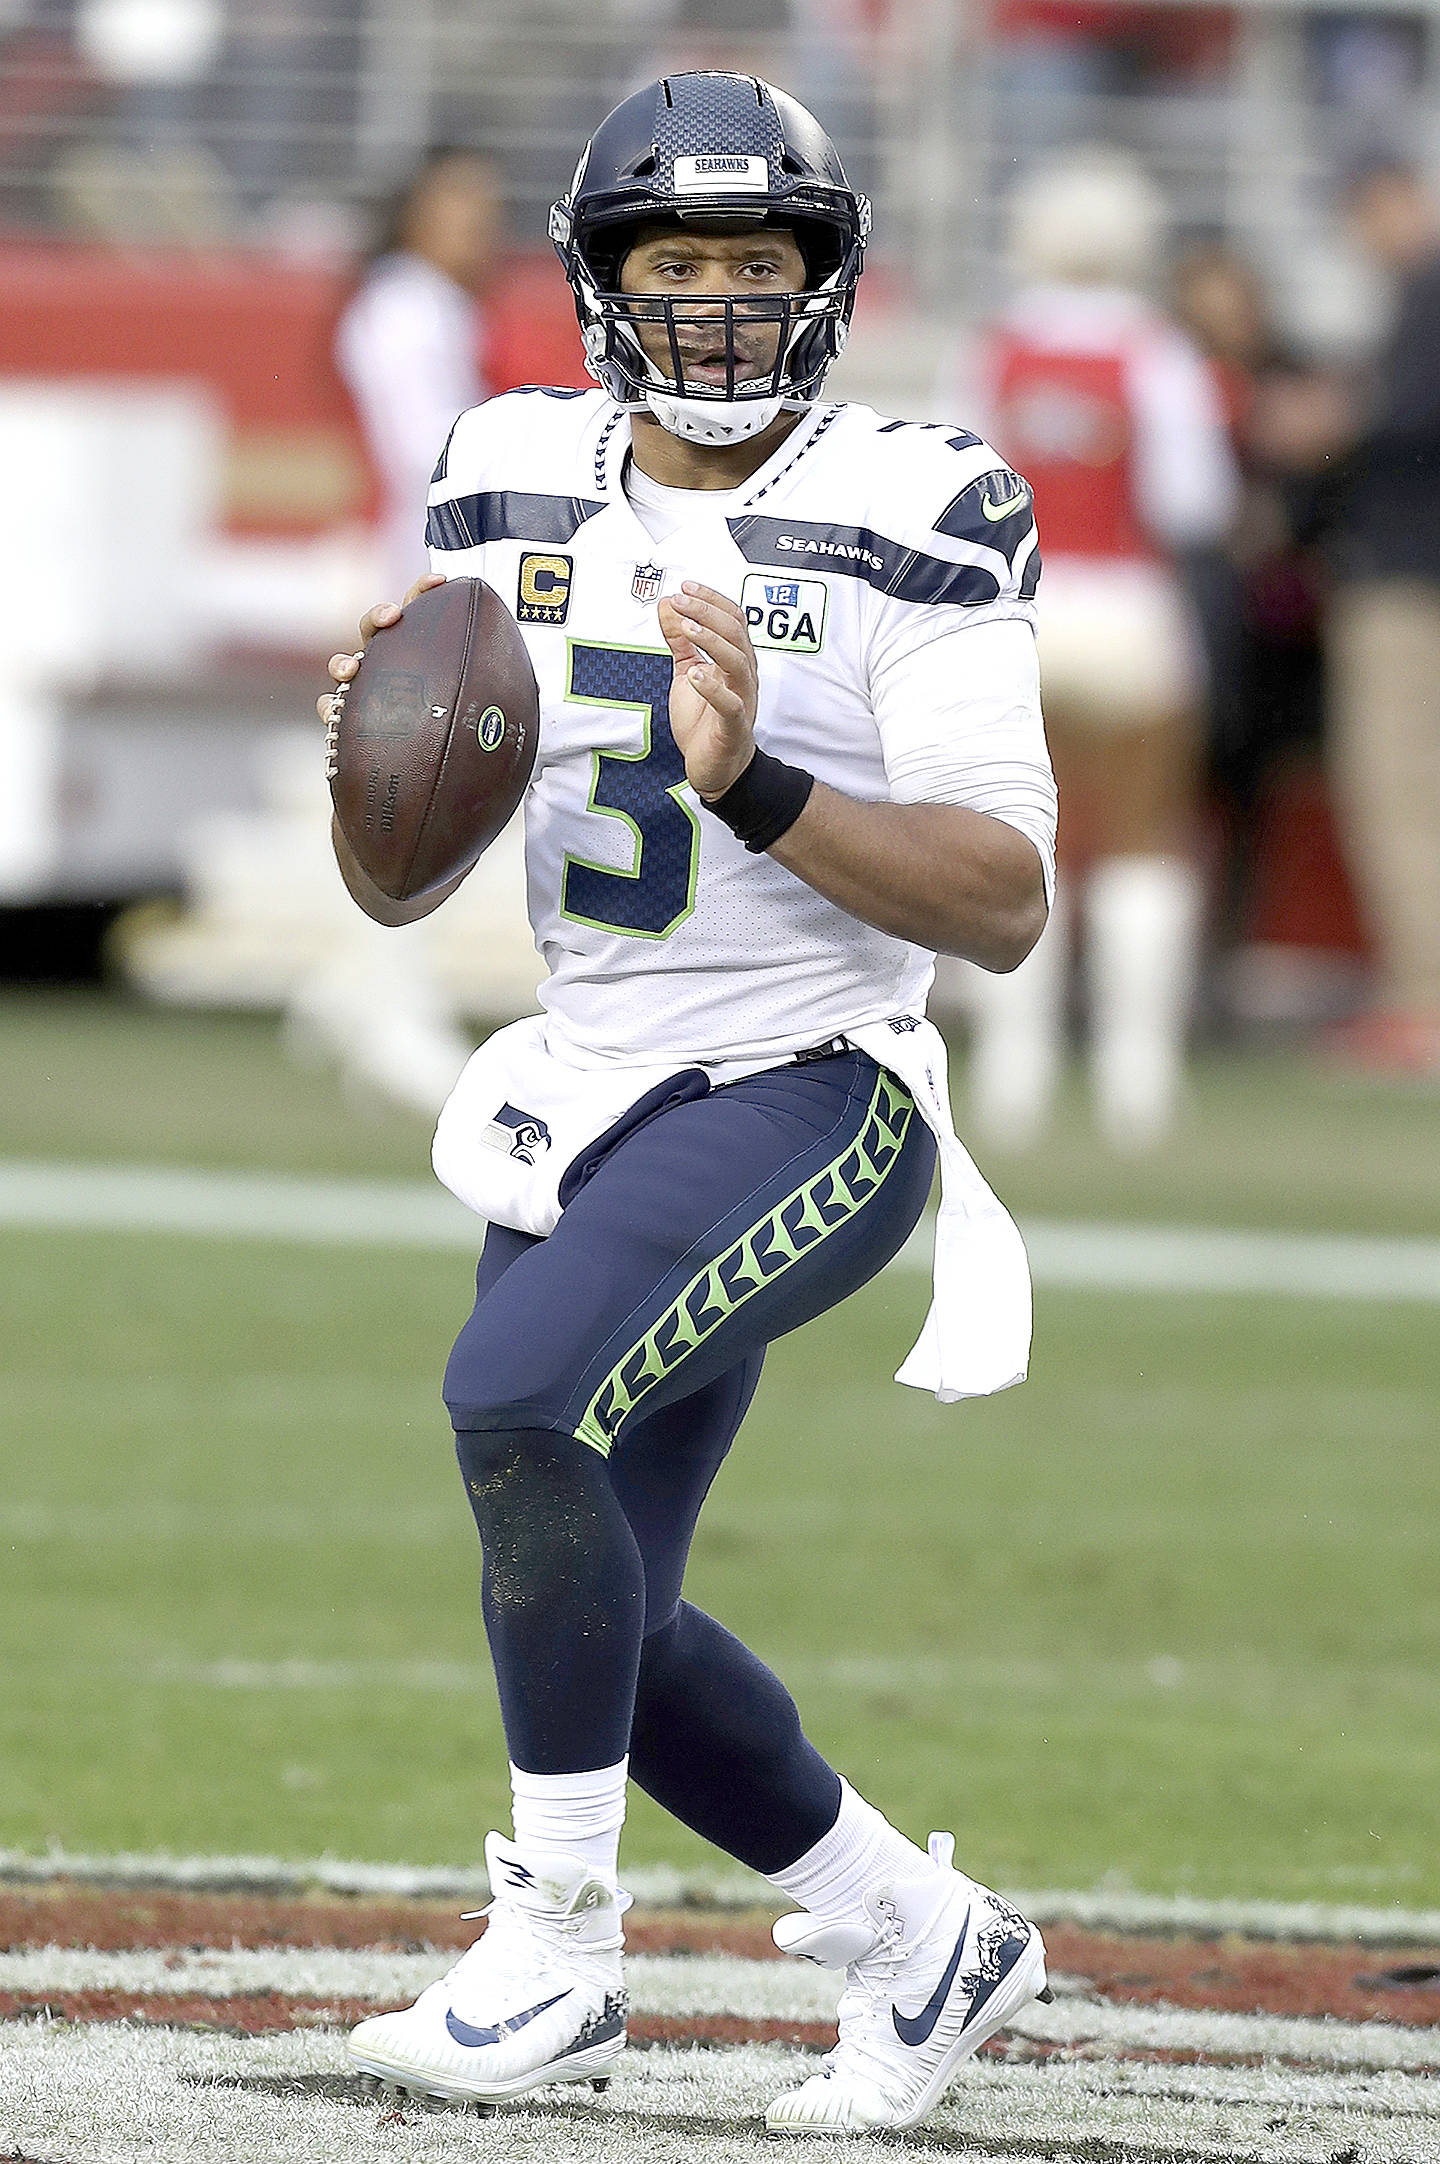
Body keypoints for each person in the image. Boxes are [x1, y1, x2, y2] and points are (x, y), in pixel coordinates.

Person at [319, 73, 1057, 2135]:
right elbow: (413, 863)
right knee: (597, 1594)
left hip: (817, 1085)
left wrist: (761, 784)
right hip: (589, 1078)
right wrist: (390, 745)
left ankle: (557, 1948)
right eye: (676, 264)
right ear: (599, 285)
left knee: (515, 1398)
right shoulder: (504, 470)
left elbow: (1003, 900)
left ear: (828, 282)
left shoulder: (918, 497)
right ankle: (919, 1934)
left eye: (757, 264)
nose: (718, 305)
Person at [958, 147, 1238, 1151]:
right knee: (1142, 840)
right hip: (1129, 611)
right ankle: (1137, 1074)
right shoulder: (1153, 350)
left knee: (1018, 838)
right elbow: (1193, 500)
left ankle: (1014, 1067)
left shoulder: (997, 347)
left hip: (1021, 616)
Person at [288, 148, 506, 1117]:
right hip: (413, 577)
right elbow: (428, 455)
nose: (480, 226)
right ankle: (389, 1008)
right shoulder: (406, 307)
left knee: (416, 796)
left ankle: (352, 993)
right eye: (463, 205)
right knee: (419, 800)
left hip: (420, 569)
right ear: (417, 210)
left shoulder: (430, 307)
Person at [1324, 156, 1440, 1075]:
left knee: (1398, 788)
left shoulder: (1425, 285)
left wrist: (1331, 423)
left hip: (1407, 578)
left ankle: (1422, 1001)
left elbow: (1402, 418)